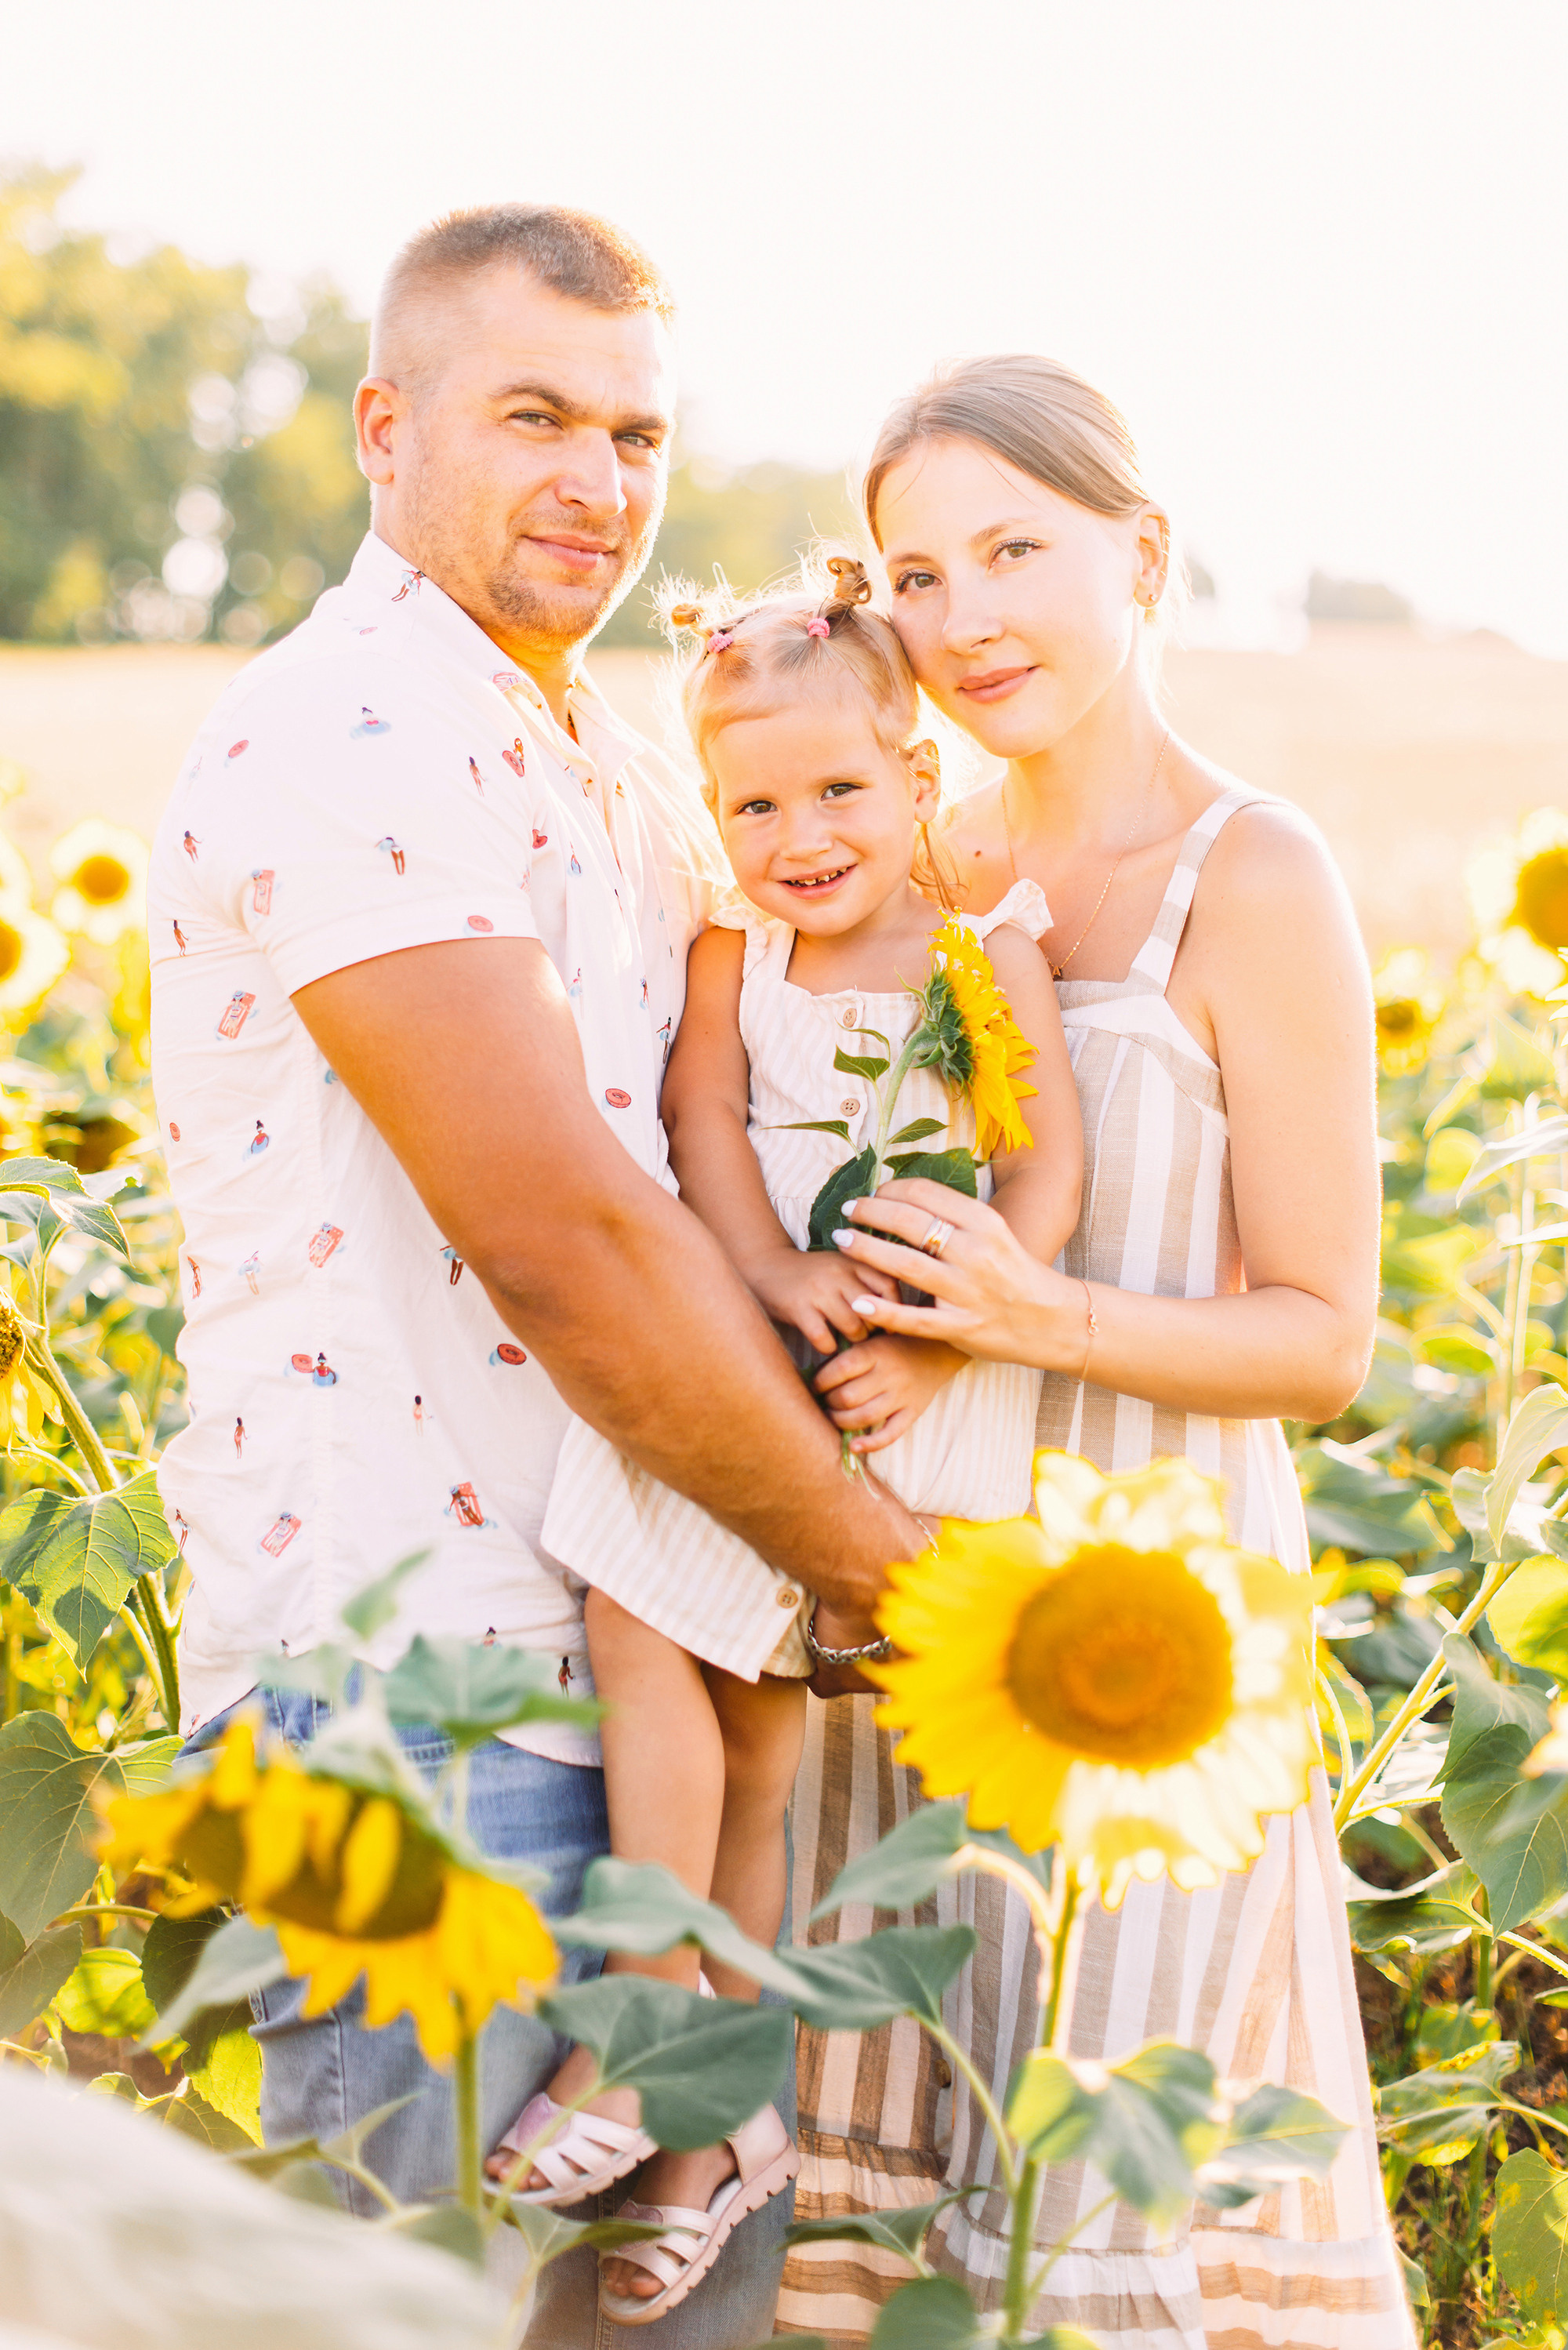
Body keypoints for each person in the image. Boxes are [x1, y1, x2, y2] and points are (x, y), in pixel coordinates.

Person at [148, 203, 925, 2349]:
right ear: (387, 432)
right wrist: (884, 1568)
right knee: (426, 2312)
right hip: (397, 1696)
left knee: (658, 2314)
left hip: (643, 1661)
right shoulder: (352, 732)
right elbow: (571, 1242)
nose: (600, 477)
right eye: (537, 418)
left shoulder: (607, 765)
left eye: (637, 433)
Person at [777, 356, 1412, 2348]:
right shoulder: (893, 855)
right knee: (869, 2205)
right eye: (917, 573)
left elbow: (1321, 1339)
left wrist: (1029, 1313)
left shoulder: (1257, 875)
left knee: (1093, 2207)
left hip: (1150, 1649)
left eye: (1012, 550)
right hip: (897, 1618)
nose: (963, 619)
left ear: (1141, 551)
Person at [488, 554, 1083, 2323]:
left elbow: (1037, 1164)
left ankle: (653, 2048)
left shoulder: (981, 957)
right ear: (711, 814)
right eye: (751, 802)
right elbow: (707, 1128)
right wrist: (759, 1266)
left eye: (837, 789)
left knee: (698, 1689)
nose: (796, 831)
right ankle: (705, 2120)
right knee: (703, 1707)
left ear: (917, 781)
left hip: (907, 1385)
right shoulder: (737, 948)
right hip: (759, 1343)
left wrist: (948, 1325)